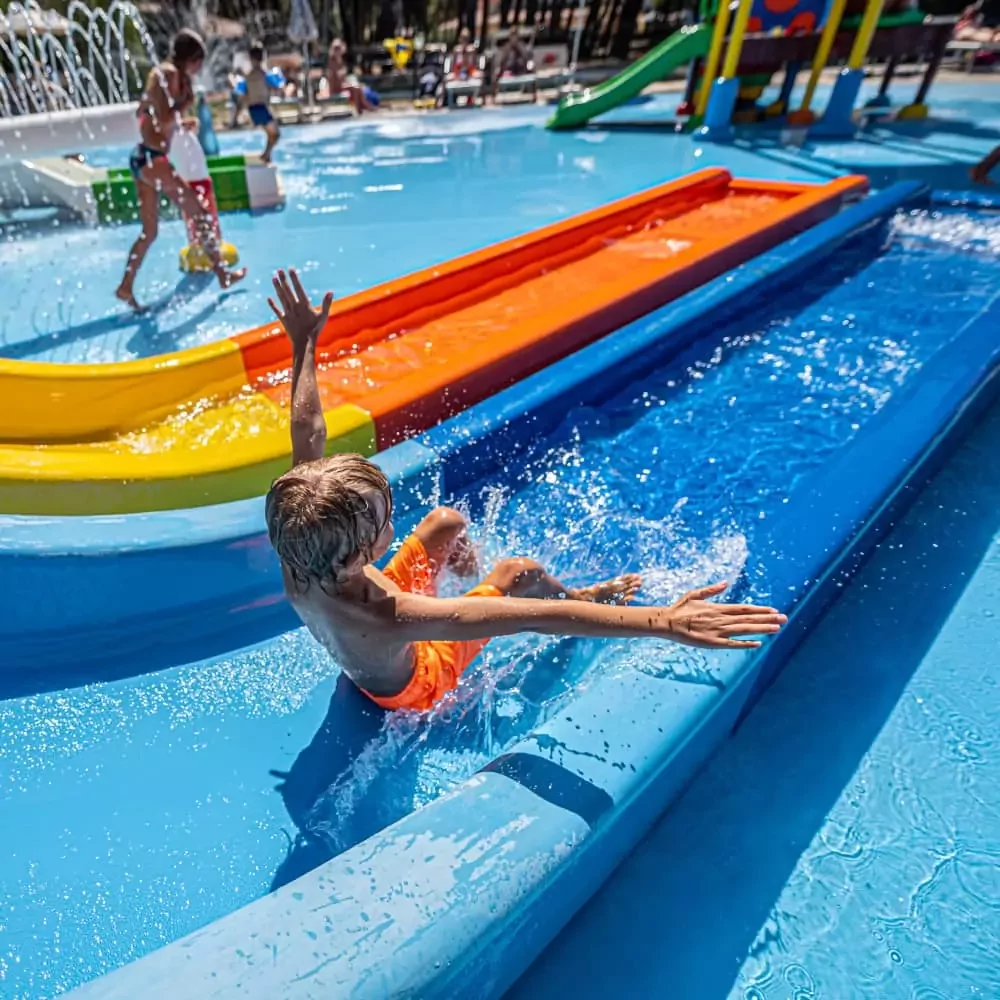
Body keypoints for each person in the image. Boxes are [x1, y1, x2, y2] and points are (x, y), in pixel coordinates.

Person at [263, 268, 788, 713]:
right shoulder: (394, 615)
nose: (393, 516)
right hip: (417, 684)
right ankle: (581, 587)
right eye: (384, 519)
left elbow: (307, 432)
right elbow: (535, 614)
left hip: (366, 637)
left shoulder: (301, 545)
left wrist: (304, 345)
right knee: (521, 575)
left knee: (446, 520)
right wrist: (665, 621)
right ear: (363, 551)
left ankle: (466, 567)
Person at [115, 29, 245, 311]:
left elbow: (154, 120)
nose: (200, 68)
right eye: (199, 61)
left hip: (143, 159)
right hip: (153, 160)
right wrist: (184, 106)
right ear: (192, 58)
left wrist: (181, 122)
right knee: (198, 210)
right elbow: (162, 118)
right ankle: (223, 275)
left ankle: (125, 287)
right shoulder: (168, 74)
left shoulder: (164, 74)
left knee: (150, 232)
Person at [243, 41, 281, 163]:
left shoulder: (248, 76)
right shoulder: (265, 74)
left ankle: (267, 156)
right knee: (276, 134)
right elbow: (275, 87)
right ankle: (266, 154)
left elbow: (245, 94)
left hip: (253, 109)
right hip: (262, 107)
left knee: (270, 134)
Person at [325, 38, 377, 115]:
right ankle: (359, 108)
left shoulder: (340, 60)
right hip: (335, 88)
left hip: (341, 86)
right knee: (355, 88)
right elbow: (334, 80)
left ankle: (362, 106)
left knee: (358, 87)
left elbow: (343, 79)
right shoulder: (332, 62)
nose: (338, 51)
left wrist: (346, 81)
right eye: (336, 49)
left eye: (339, 48)